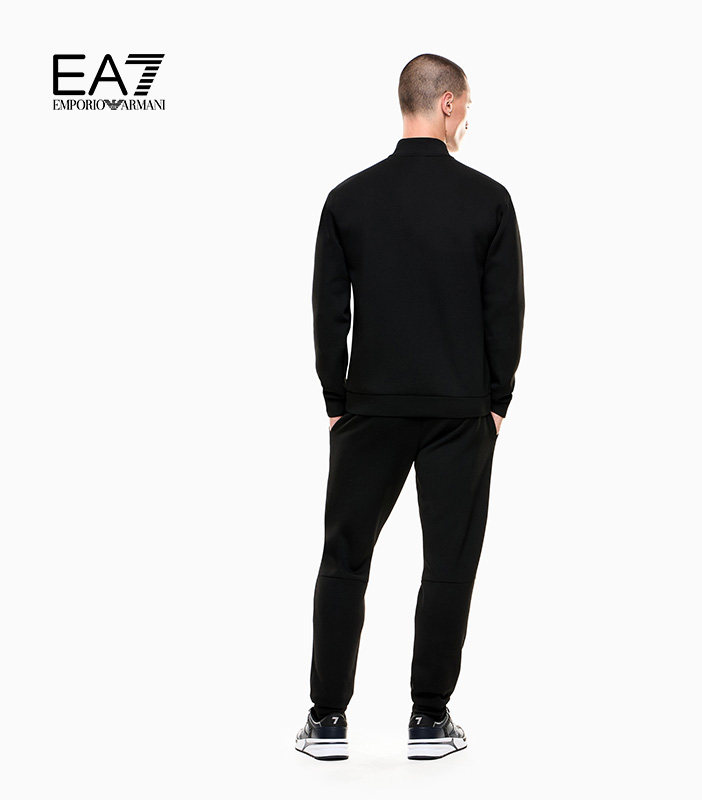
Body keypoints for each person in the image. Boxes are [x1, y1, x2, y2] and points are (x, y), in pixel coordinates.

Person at [295, 53, 525, 761]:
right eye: (467, 106)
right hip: (461, 410)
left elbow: (328, 309)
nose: (467, 119)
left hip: (370, 407)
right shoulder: (488, 200)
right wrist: (496, 400)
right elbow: (505, 311)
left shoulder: (348, 198)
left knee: (344, 560)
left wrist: (337, 397)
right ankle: (429, 720)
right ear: (448, 103)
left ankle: (326, 721)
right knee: (448, 562)